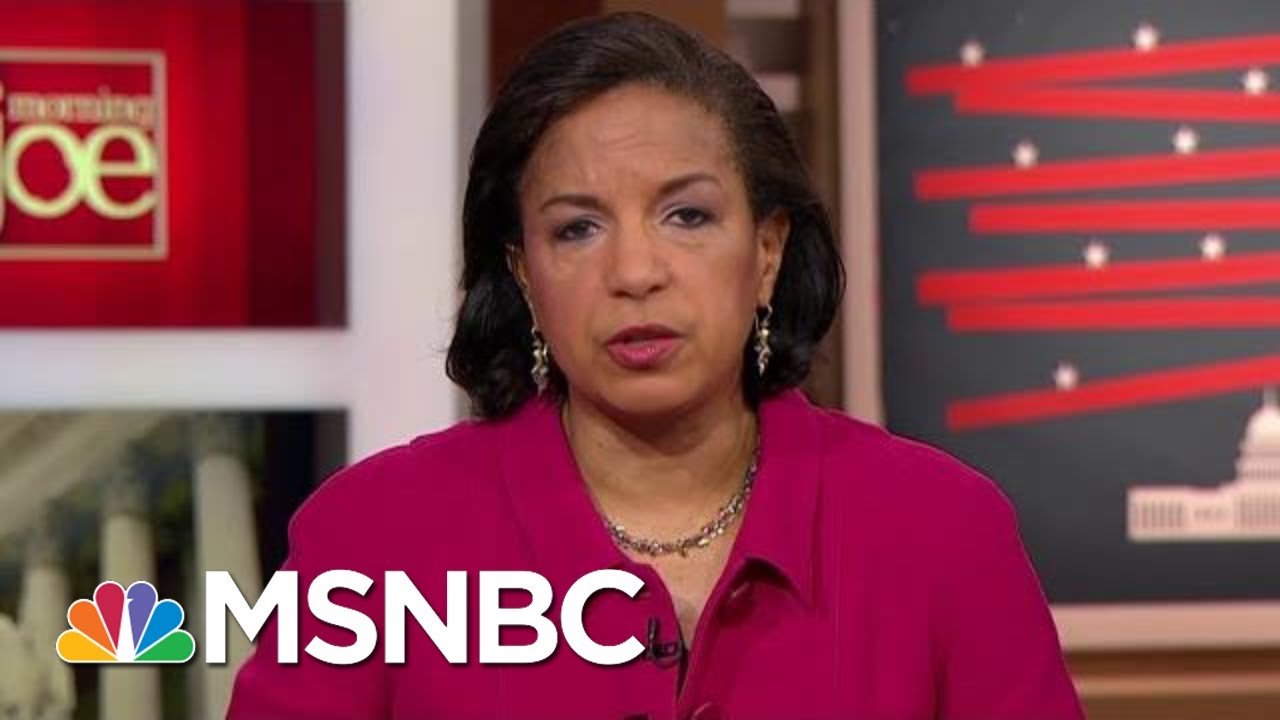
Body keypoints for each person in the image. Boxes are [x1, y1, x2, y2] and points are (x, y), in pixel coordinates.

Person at [228, 12, 1083, 719]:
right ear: (524, 274)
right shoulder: (372, 543)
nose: (635, 272)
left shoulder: (942, 533)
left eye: (687, 216)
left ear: (768, 251)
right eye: (577, 229)